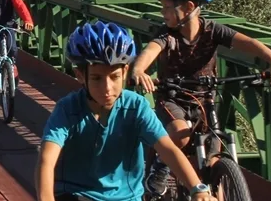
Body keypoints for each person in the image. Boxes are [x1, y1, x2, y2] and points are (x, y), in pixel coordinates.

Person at [129, 0, 271, 198]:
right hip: (173, 98)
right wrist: (138, 70)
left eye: (166, 7)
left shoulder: (213, 30)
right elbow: (150, 51)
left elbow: (249, 43)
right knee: (181, 135)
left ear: (188, 7)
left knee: (215, 155)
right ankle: (159, 168)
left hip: (205, 100)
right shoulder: (167, 34)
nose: (162, 13)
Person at [35, 20, 213, 201]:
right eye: (97, 78)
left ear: (125, 72)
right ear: (80, 75)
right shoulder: (68, 109)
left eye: (114, 77)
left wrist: (197, 188)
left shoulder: (136, 107)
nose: (107, 88)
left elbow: (168, 149)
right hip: (77, 195)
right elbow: (47, 159)